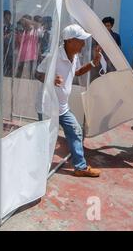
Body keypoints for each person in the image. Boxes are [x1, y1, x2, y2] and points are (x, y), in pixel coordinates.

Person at [36, 24, 102, 177]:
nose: (84, 44)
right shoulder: (54, 56)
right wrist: (50, 79)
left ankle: (80, 167)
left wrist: (93, 63)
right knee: (45, 139)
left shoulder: (74, 55)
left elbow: (77, 72)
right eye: (81, 40)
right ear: (70, 41)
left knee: (75, 131)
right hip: (47, 106)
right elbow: (37, 73)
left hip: (63, 107)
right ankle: (38, 169)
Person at [15, 15, 40, 79]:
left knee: (29, 77)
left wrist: (26, 20)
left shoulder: (34, 31)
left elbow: (38, 25)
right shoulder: (22, 32)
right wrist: (19, 33)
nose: (23, 25)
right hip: (21, 58)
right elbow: (19, 43)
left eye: (24, 23)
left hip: (30, 58)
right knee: (20, 77)